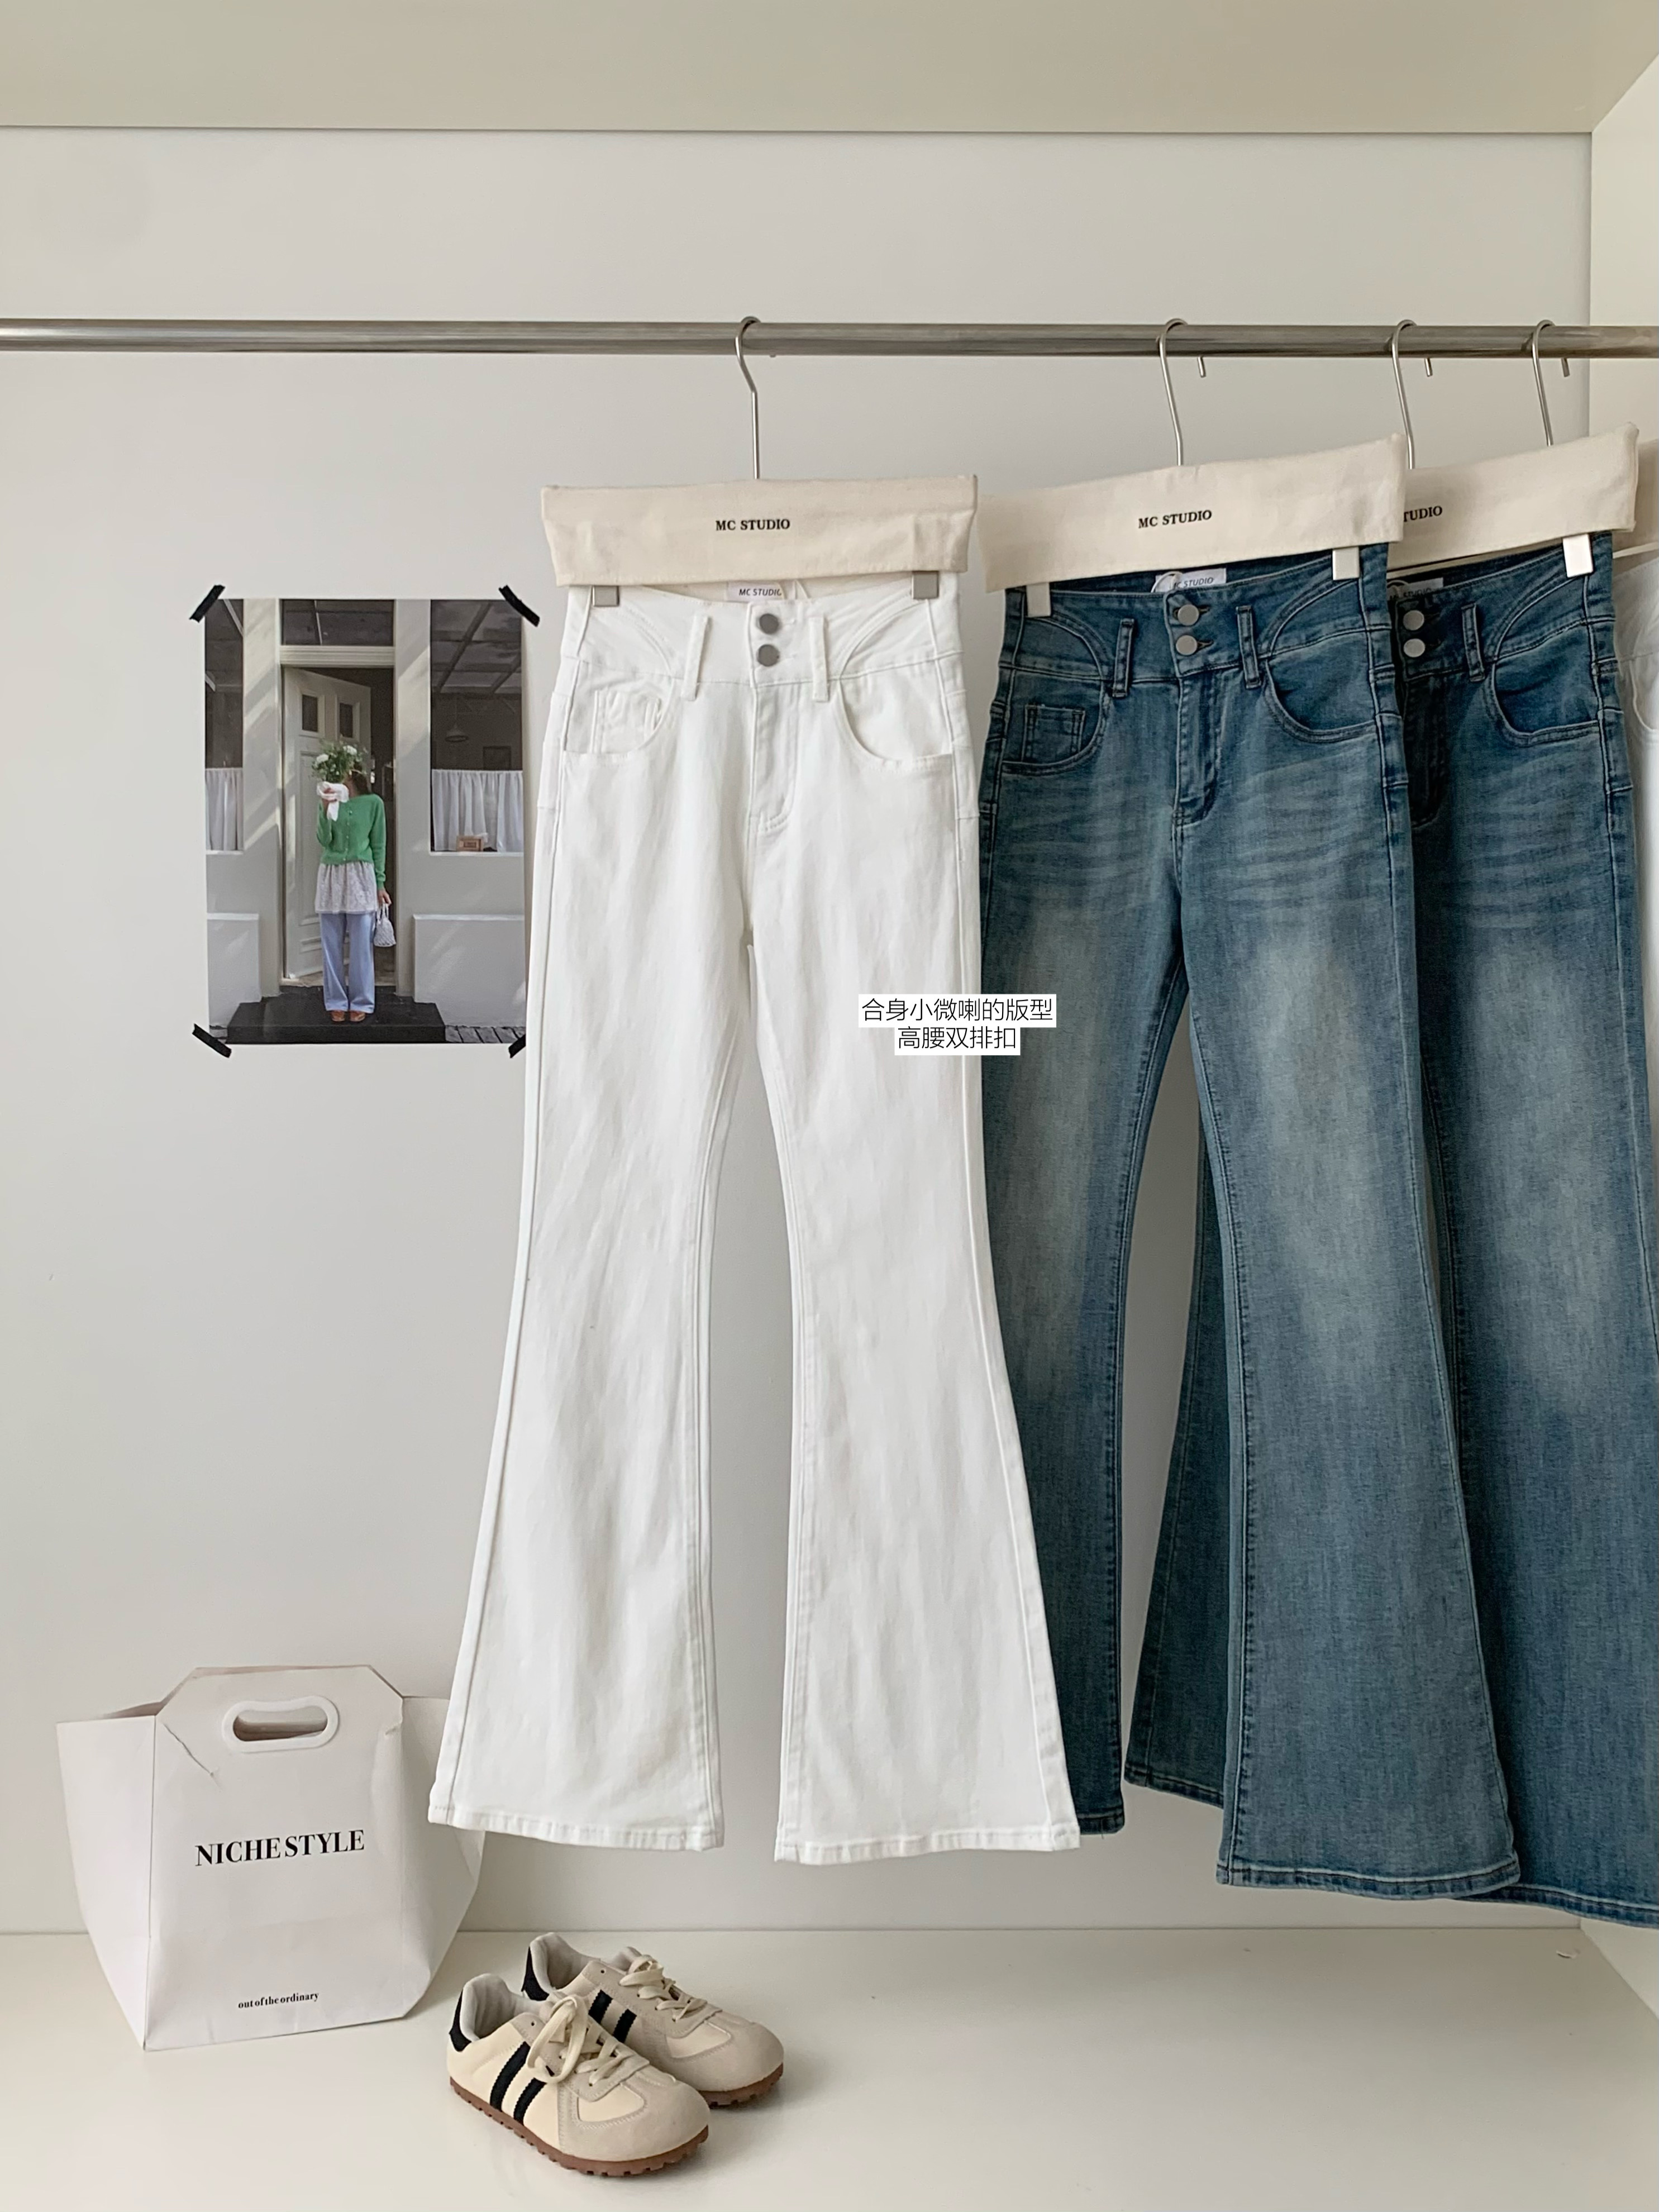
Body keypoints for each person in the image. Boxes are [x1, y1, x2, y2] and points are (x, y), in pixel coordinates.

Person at [314, 766, 388, 1023]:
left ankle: (362, 1001)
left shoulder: (374, 803)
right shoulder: (330, 800)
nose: (340, 781)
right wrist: (325, 808)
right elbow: (324, 840)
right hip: (332, 876)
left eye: (344, 776)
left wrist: (380, 883)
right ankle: (335, 1001)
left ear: (354, 777)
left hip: (361, 876)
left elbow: (379, 844)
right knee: (331, 944)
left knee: (361, 945)